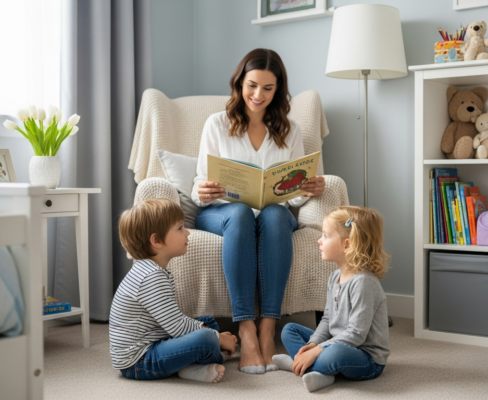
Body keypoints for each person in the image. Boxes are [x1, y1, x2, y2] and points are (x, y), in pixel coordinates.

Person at [191, 48, 326, 374]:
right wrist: (204, 190)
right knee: (239, 213)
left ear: (278, 89)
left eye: (268, 88)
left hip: (272, 214)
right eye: (252, 85)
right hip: (221, 214)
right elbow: (198, 185)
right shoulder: (217, 124)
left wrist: (306, 190)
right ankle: (247, 330)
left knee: (277, 215)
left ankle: (269, 326)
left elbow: (291, 197)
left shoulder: (290, 129)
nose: (258, 95)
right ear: (239, 83)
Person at [109, 199, 237, 382]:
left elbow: (172, 322)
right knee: (206, 337)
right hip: (139, 362)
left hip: (155, 342)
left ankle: (197, 359)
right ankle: (191, 367)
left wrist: (210, 333)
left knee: (207, 321)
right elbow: (176, 326)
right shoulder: (151, 276)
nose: (187, 233)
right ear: (156, 240)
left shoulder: (151, 270)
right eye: (180, 228)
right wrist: (216, 338)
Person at [272, 206, 391, 392]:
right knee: (289, 329)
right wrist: (312, 344)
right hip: (336, 342)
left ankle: (299, 365)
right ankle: (315, 370)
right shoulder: (334, 277)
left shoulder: (364, 282)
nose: (319, 241)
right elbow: (327, 319)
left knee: (335, 353)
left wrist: (318, 350)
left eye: (326, 236)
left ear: (347, 244)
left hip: (366, 357)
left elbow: (356, 335)